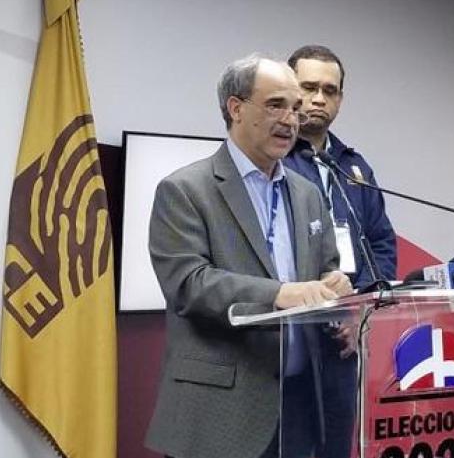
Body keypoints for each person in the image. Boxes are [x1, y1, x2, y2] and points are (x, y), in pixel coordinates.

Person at [144, 54, 352, 458]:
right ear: (236, 108)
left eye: (294, 108)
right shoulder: (185, 190)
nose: (291, 120)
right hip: (219, 411)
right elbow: (190, 285)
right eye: (276, 105)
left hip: (298, 409)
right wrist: (281, 293)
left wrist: (337, 294)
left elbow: (325, 268)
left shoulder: (307, 194)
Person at [281, 45, 397, 458]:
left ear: (340, 100)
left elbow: (381, 242)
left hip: (342, 338)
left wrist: (359, 307)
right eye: (308, 87)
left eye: (329, 90)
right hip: (288, 338)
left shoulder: (354, 166)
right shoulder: (271, 161)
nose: (318, 99)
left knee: (335, 448)